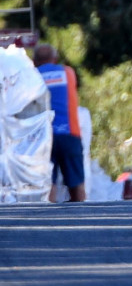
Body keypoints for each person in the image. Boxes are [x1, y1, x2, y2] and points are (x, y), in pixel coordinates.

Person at [32, 43, 86, 202]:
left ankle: (50, 214)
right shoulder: (68, 72)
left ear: (34, 61)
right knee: (77, 184)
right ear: (55, 59)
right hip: (69, 134)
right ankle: (84, 213)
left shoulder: (31, 76)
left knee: (48, 183)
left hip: (43, 137)